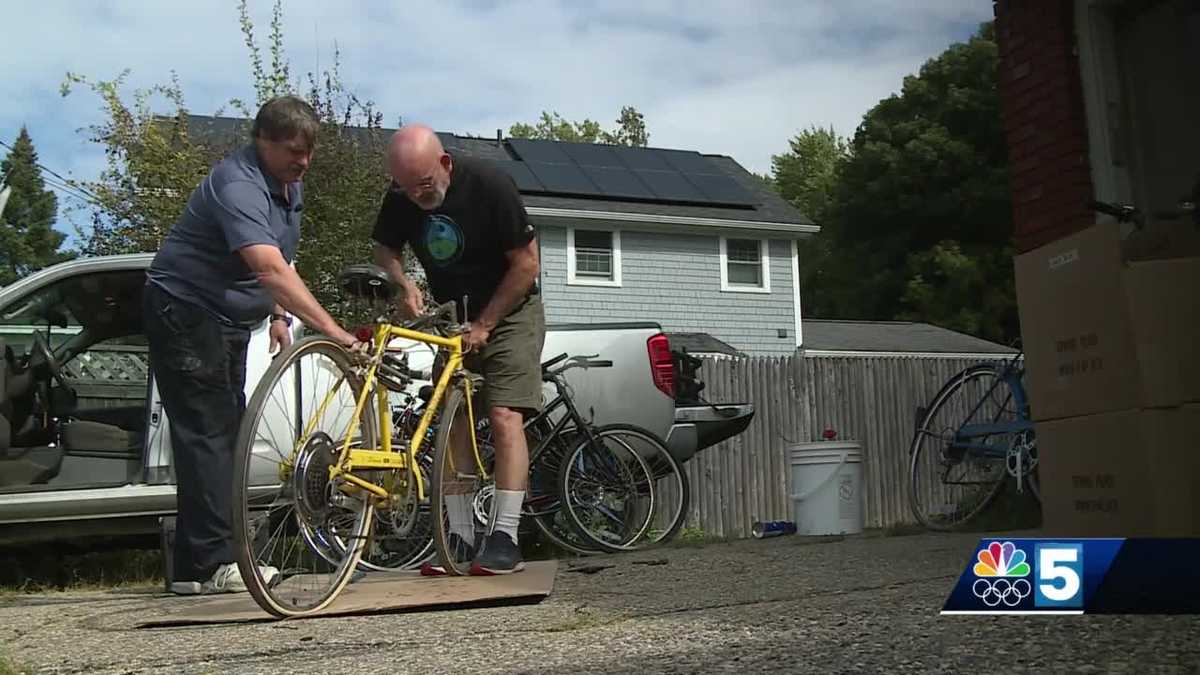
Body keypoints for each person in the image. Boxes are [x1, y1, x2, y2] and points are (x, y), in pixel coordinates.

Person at [143, 95, 359, 595]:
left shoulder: (288, 184)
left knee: (223, 431)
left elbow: (281, 257)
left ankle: (194, 569)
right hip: (185, 309)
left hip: (226, 319)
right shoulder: (237, 184)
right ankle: (217, 563)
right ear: (262, 140)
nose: (302, 162)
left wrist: (280, 315)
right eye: (291, 151)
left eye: (308, 152)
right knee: (210, 434)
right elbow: (267, 267)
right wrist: (335, 332)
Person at [372, 124, 543, 575]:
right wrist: (403, 283)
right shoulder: (402, 193)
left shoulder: (490, 186)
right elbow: (384, 249)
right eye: (407, 188)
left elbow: (527, 264)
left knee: (505, 413)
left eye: (425, 185)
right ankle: (461, 539)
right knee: (453, 420)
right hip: (453, 316)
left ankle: (504, 536)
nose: (416, 196)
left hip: (509, 311)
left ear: (445, 164)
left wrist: (486, 323)